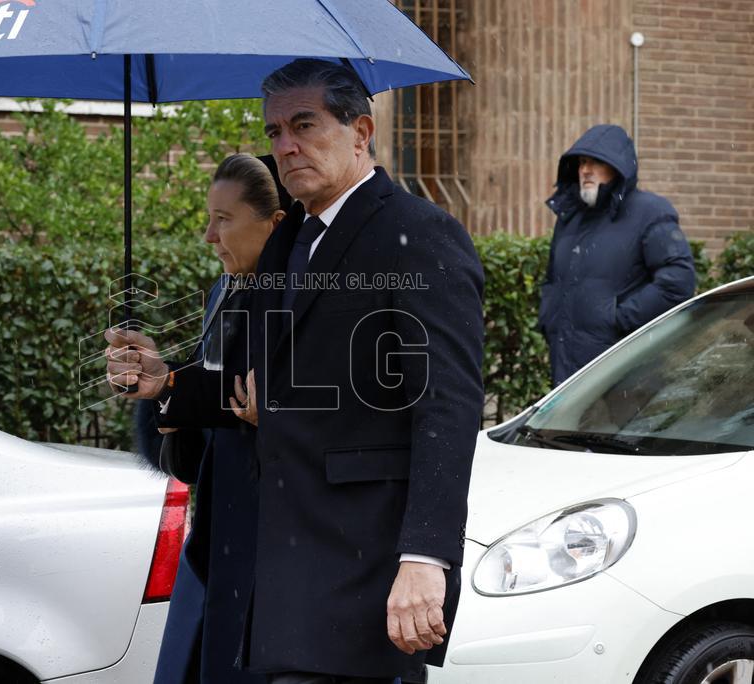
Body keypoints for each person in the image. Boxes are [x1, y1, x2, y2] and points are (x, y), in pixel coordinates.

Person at [107, 58, 484, 684]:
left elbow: (446, 407)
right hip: (277, 566)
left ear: (361, 131)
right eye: (275, 131)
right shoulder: (292, 242)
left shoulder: (421, 235)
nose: (285, 145)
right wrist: (165, 383)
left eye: (304, 125)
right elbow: (254, 383)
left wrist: (425, 558)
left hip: (363, 569)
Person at [135, 153, 288, 684]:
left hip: (275, 544)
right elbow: (204, 416)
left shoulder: (307, 299)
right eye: (209, 218)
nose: (208, 236)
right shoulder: (225, 292)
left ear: (275, 221)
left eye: (223, 220)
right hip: (216, 535)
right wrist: (160, 388)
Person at [540, 124, 695, 386]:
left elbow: (677, 282)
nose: (586, 170)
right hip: (566, 368)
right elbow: (553, 279)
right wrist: (549, 318)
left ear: (618, 166)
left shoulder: (650, 212)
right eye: (581, 162)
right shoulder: (570, 218)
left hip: (624, 371)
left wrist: (619, 319)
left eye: (596, 162)